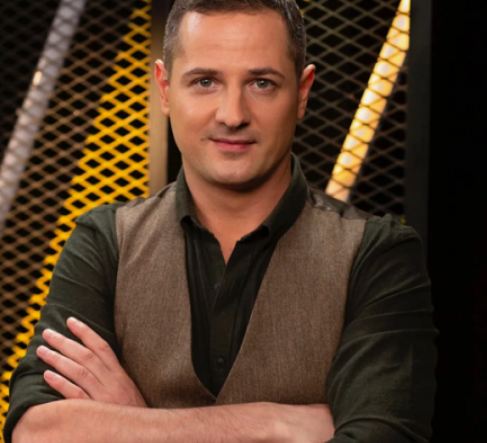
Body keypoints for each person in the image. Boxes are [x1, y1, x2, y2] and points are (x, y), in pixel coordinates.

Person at [5, 0, 437, 442]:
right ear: (165, 89)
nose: (232, 115)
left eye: (262, 83)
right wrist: (274, 424)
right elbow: (37, 433)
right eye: (205, 82)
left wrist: (134, 422)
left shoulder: (378, 254)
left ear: (302, 92)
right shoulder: (104, 242)